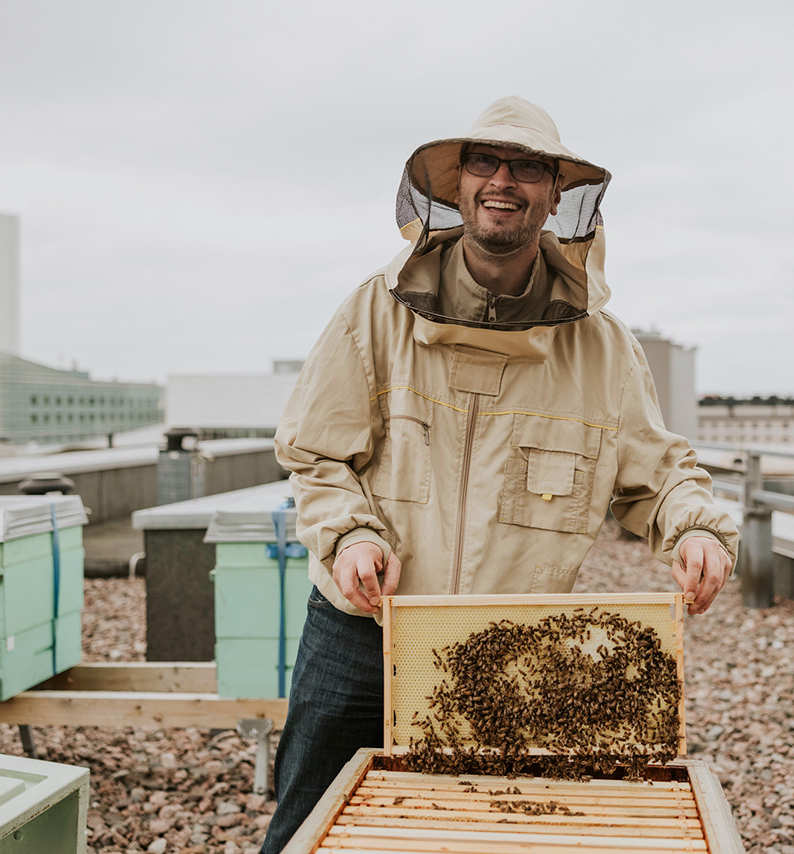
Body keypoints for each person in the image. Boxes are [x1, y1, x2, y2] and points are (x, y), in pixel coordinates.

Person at [260, 96, 740, 852]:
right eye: (485, 161)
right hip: (362, 632)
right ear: (455, 185)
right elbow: (316, 453)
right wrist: (350, 535)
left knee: (479, 835)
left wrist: (698, 529)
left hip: (515, 648)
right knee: (313, 831)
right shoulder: (374, 314)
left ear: (556, 196)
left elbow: (660, 473)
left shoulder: (603, 348)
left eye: (528, 168)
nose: (503, 181)